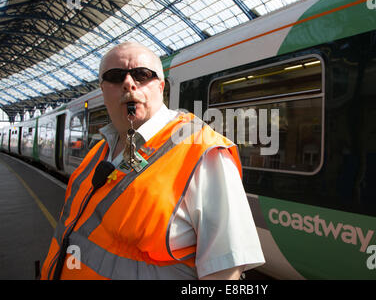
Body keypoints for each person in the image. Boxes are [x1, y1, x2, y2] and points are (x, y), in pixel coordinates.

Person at [40, 41, 265, 280]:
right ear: (103, 89)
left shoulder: (203, 151)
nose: (129, 82)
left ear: (161, 86)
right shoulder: (99, 150)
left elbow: (225, 271)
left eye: (142, 74)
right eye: (116, 76)